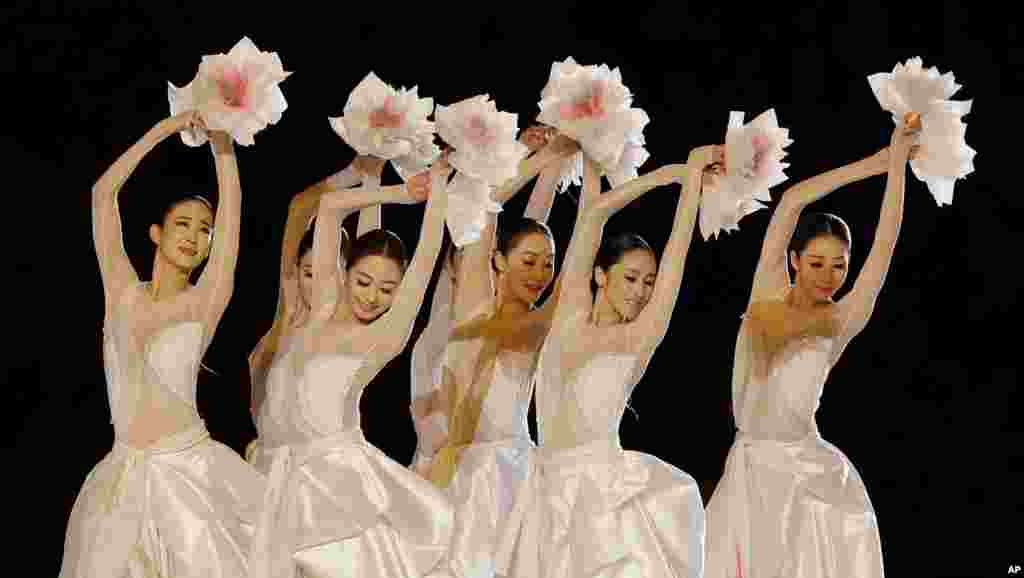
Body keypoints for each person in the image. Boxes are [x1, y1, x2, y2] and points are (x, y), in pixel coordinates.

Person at [703, 115, 919, 578]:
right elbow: (793, 200)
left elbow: (886, 241)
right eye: (817, 263)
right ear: (795, 260)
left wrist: (899, 168)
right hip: (751, 468)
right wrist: (877, 162)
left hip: (806, 474)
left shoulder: (841, 319)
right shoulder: (765, 291)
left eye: (839, 266)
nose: (828, 275)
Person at [494, 146, 718, 578]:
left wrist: (689, 183)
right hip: (544, 489)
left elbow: (676, 255)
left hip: (602, 492)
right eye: (631, 278)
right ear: (600, 275)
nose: (640, 291)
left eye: (647, 283)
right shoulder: (568, 315)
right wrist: (667, 173)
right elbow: (594, 216)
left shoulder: (637, 336)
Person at [61, 111, 264, 577]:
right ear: (156, 233)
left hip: (187, 470)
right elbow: (101, 194)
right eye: (184, 224)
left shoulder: (204, 301)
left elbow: (232, 217)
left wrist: (222, 142)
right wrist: (167, 129)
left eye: (204, 229)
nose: (195, 236)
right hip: (124, 475)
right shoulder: (122, 292)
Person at [249, 156, 457, 578]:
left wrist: (435, 195)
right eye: (363, 282)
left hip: (331, 478)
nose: (372, 297)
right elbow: (329, 208)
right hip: (274, 470)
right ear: (344, 274)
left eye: (386, 289)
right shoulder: (322, 304)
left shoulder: (383, 335)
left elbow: (426, 257)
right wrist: (401, 192)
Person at [409, 127, 579, 577]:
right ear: (498, 262)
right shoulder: (471, 307)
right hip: (469, 472)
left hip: (523, 473)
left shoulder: (540, 321)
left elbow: (576, 253)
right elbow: (486, 207)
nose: (540, 273)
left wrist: (582, 161)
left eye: (548, 264)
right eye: (528, 261)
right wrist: (539, 157)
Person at [247, 154, 384, 473]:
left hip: (321, 465)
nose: (319, 282)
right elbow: (299, 208)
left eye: (331, 273)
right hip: (268, 462)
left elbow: (371, 248)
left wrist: (375, 181)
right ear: (298, 271)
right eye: (310, 272)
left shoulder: (346, 320)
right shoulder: (290, 311)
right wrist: (354, 171)